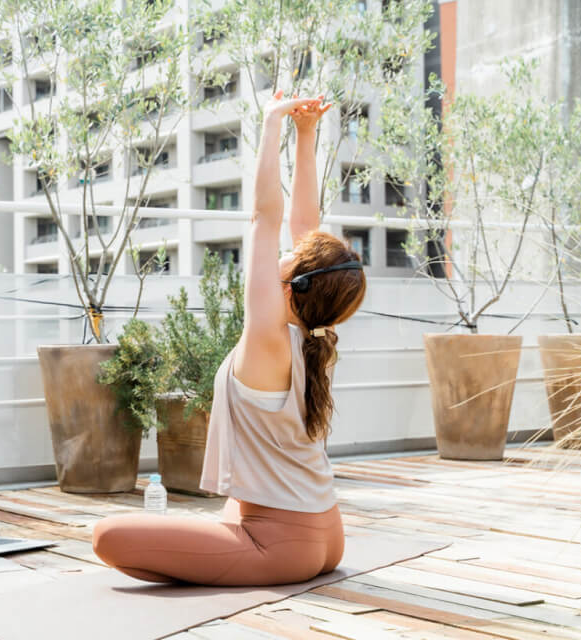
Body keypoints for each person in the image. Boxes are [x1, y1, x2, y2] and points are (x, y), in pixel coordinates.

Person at [92, 90, 367, 586]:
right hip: (325, 532)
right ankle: (226, 540)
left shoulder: (268, 337)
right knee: (174, 541)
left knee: (108, 537)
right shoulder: (317, 339)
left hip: (280, 543)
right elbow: (304, 227)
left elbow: (265, 219)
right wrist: (306, 136)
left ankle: (229, 548)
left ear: (294, 283)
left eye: (294, 255)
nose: (287, 249)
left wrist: (271, 125)